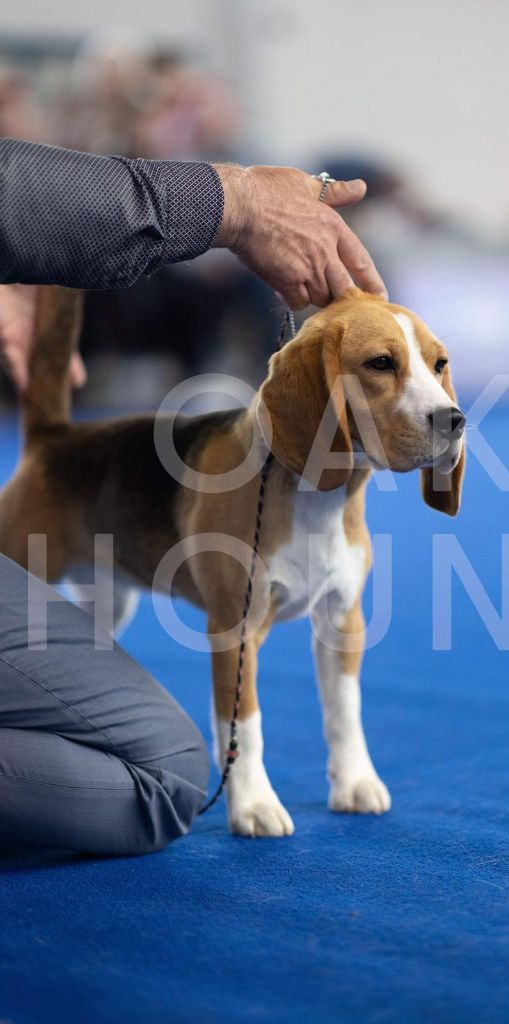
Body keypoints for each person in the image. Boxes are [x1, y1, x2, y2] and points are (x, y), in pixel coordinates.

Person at [0, 137, 387, 856]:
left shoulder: (355, 508)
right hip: (66, 487)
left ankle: (352, 759)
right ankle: (246, 778)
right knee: (158, 770)